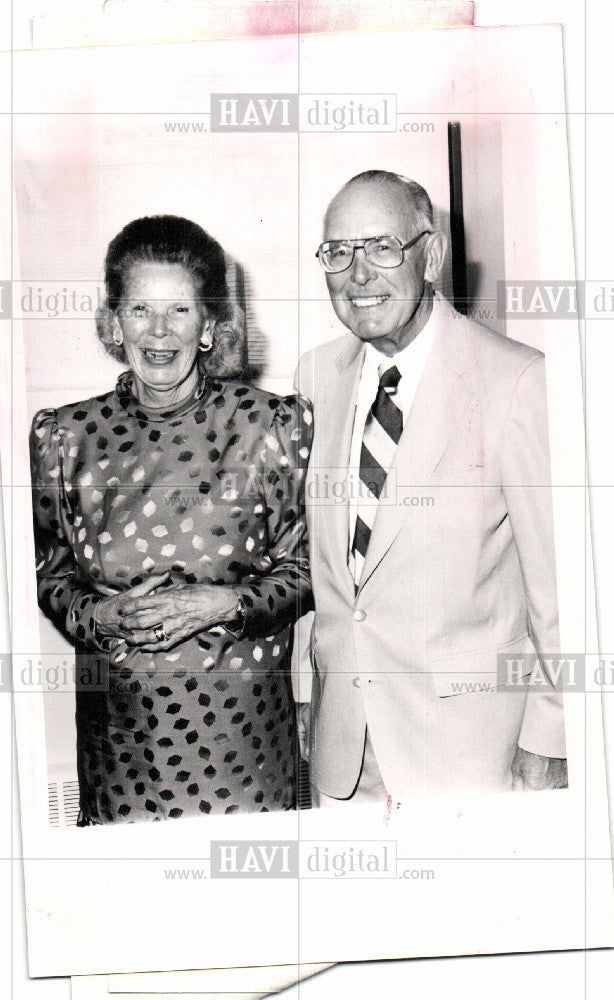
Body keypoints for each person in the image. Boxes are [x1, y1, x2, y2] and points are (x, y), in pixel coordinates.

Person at [295, 170, 567, 805]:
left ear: (433, 255)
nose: (358, 275)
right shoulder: (315, 377)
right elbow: (316, 566)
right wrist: (309, 692)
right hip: (344, 752)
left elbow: (562, 598)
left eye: (382, 247)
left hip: (470, 757)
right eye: (339, 253)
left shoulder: (517, 383)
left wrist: (550, 741)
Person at [30, 214, 313, 824]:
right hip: (120, 749)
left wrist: (226, 604)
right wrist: (95, 614)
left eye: (180, 311)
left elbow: (313, 569)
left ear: (209, 326)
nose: (159, 332)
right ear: (113, 322)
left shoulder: (274, 427)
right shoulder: (64, 437)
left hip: (244, 748)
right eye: (139, 310)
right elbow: (48, 577)